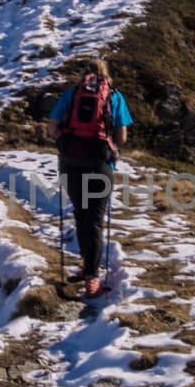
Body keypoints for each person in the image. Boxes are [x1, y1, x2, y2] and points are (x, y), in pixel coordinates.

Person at [47, 58, 133, 297]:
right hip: (100, 166)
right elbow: (122, 137)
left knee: (80, 213)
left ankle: (87, 265)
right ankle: (92, 277)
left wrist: (69, 140)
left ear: (83, 74)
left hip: (71, 164)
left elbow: (52, 129)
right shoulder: (115, 97)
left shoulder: (71, 94)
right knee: (95, 220)